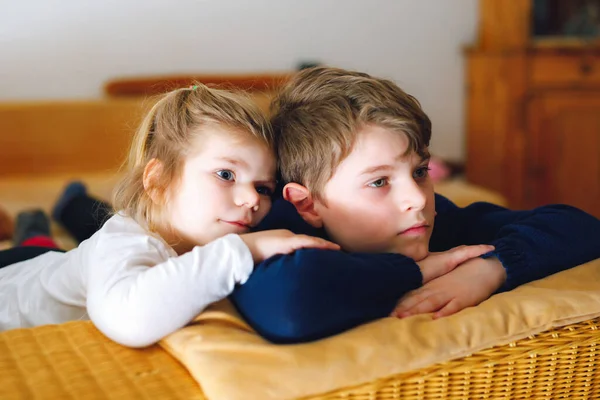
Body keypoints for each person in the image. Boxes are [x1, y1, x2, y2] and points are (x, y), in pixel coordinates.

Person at [229, 66, 600, 343]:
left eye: (420, 171)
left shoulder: (429, 218)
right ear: (307, 204)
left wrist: (492, 268)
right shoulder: (275, 231)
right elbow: (292, 306)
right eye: (379, 181)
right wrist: (418, 272)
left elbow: (578, 225)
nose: (417, 198)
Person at [0, 84, 340, 347]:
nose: (253, 198)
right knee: (47, 243)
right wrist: (245, 250)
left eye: (264, 188)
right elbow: (130, 320)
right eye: (226, 174)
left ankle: (47, 222)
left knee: (59, 250)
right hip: (14, 284)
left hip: (54, 263)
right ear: (158, 181)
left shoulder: (209, 226)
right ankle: (44, 217)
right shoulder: (126, 244)